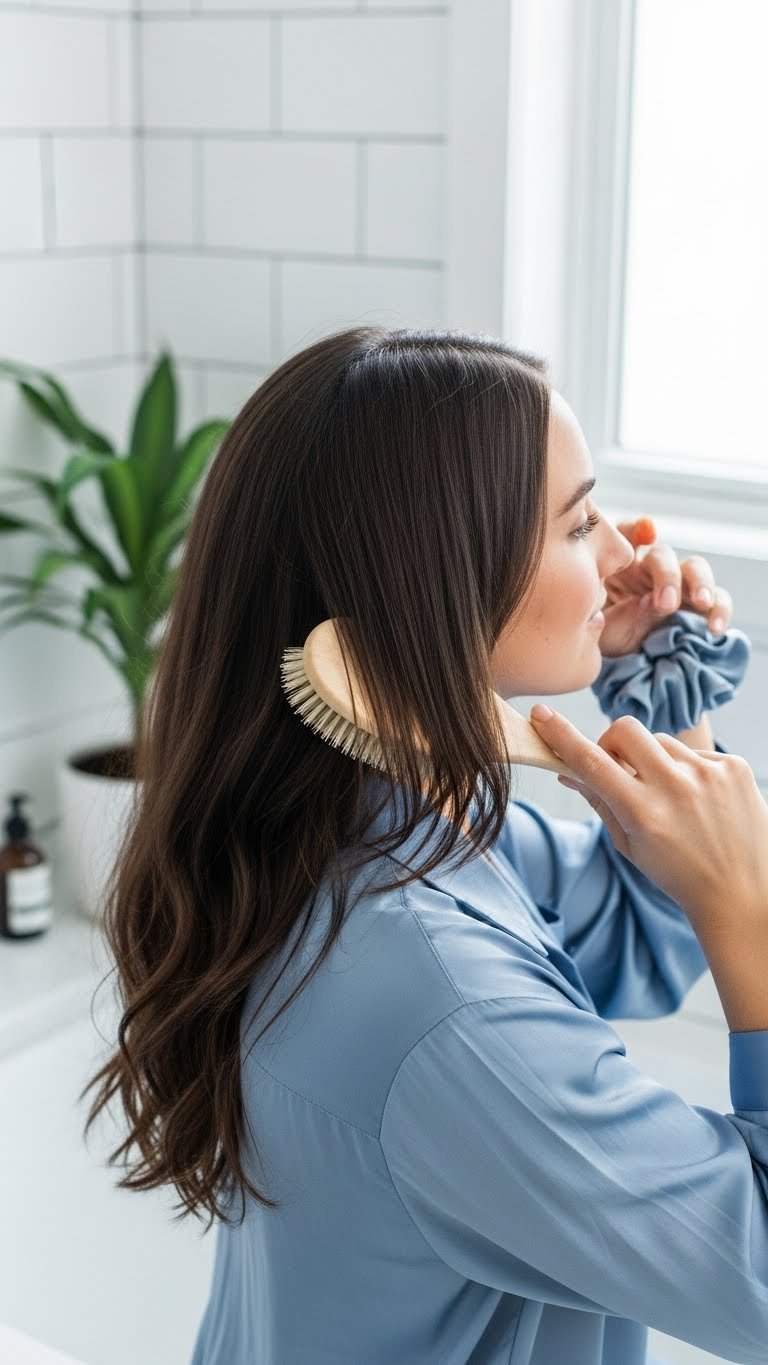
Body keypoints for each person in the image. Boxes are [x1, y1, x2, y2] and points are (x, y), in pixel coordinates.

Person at [81, 327, 768, 1365]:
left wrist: (668, 702)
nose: (630, 558)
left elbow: (634, 935)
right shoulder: (445, 1007)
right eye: (580, 525)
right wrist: (750, 918)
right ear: (438, 587)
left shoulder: (370, 825)